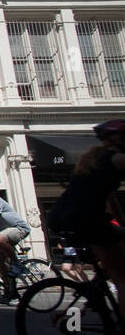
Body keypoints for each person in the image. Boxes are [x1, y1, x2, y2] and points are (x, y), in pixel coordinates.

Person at [47, 119, 125, 302]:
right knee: (123, 278)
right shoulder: (118, 159)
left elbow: (110, 200)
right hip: (85, 219)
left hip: (63, 216)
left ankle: (92, 292)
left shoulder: (90, 160)